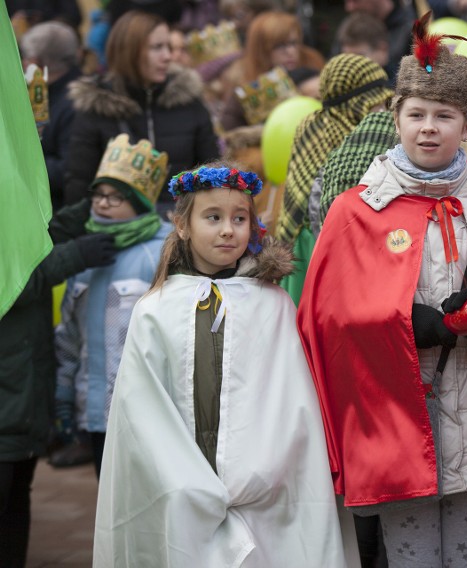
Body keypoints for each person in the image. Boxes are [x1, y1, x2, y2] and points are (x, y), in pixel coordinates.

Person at [299, 15, 467, 567]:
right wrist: (406, 323)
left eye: (444, 116)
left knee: (466, 560)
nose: (428, 127)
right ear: (397, 119)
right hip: (390, 423)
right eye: (416, 114)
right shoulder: (355, 212)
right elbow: (327, 319)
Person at [93, 160, 350, 566]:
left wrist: (260, 471)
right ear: (183, 225)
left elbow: (290, 403)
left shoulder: (273, 305)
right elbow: (141, 410)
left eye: (239, 218)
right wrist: (184, 479)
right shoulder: (155, 309)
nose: (228, 229)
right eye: (212, 217)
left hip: (263, 481)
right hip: (179, 481)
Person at [0, 197, 116, 568]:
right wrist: (75, 255)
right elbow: (11, 279)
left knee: (18, 499)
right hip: (8, 400)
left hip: (23, 395)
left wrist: (93, 202)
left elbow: (37, 236)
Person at [54, 135, 172, 479]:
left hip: (145, 408)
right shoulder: (84, 255)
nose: (103, 204)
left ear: (138, 203)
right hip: (94, 409)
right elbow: (69, 334)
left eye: (116, 196)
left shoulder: (160, 252)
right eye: (98, 195)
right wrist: (63, 392)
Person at [64, 10, 219, 216]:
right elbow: (80, 185)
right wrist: (88, 245)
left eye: (169, 47)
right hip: (118, 231)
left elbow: (212, 173)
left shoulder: (188, 102)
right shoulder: (98, 106)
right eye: (157, 48)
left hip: (180, 228)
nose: (167, 56)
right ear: (129, 51)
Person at [275, 53, 393, 304]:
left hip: (306, 240)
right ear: (355, 103)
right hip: (315, 246)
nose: (382, 112)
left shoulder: (312, 123)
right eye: (376, 104)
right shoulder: (353, 140)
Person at [219, 10, 325, 132]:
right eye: (279, 46)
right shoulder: (243, 86)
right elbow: (230, 137)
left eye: (294, 43)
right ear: (261, 50)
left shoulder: (313, 70)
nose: (290, 52)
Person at [19, 21, 82, 211]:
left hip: (58, 210)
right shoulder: (47, 94)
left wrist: (21, 160)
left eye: (25, 59)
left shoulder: (73, 102)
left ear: (36, 63)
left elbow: (67, 169)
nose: (22, 64)